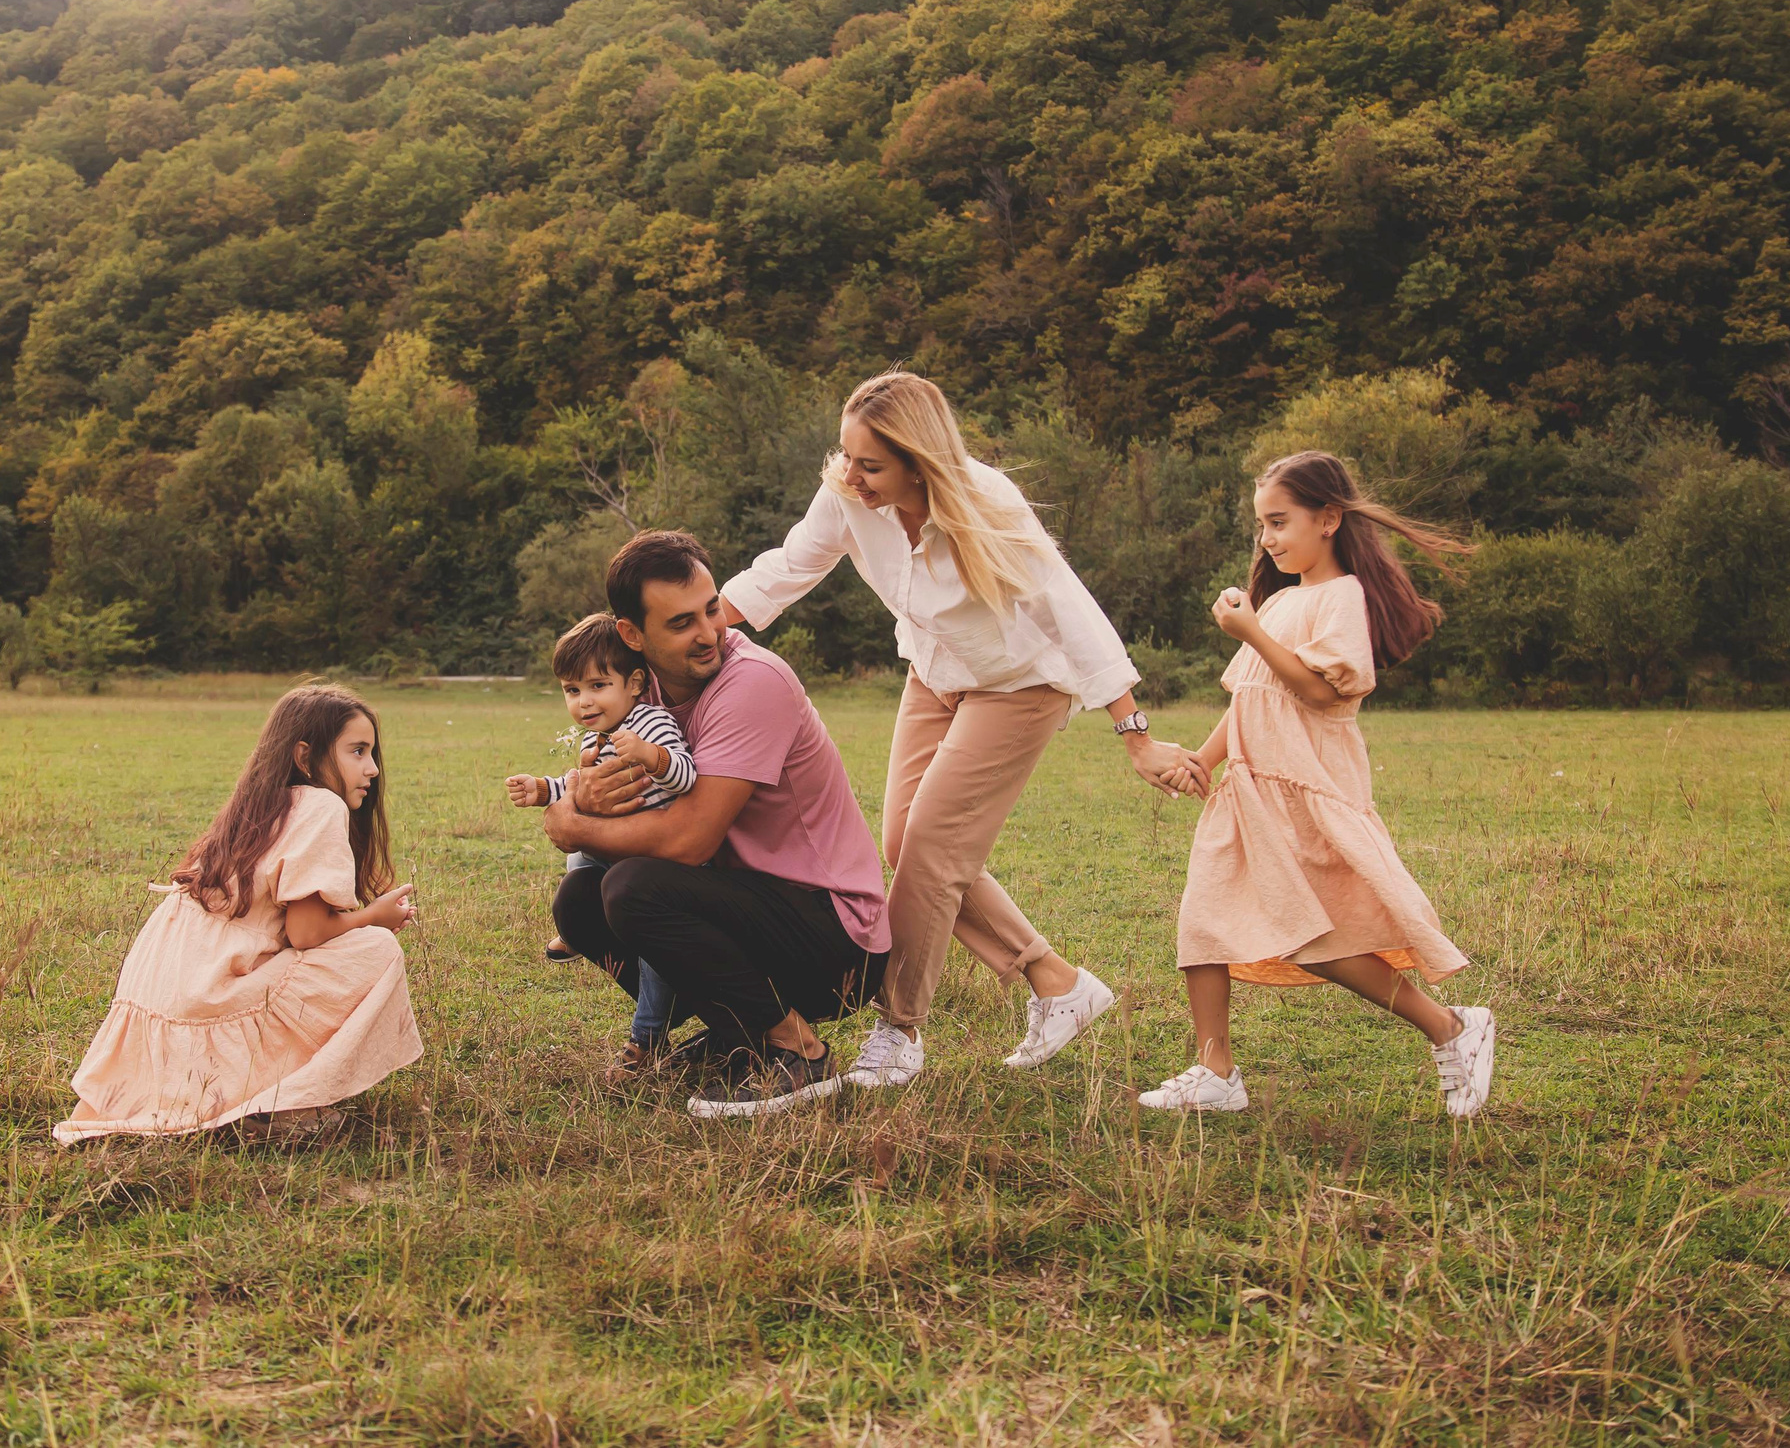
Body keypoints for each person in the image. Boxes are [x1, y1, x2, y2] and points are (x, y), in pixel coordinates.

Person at [718, 369, 1204, 1094]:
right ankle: (1056, 982)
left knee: (933, 849)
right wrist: (693, 626)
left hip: (1020, 686)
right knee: (901, 842)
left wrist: (1135, 733)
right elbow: (791, 565)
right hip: (933, 673)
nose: (851, 474)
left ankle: (899, 1029)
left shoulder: (985, 501)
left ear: (919, 459)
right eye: (845, 455)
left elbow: (1068, 608)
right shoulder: (847, 494)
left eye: (871, 463)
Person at [1137, 451, 1498, 1118]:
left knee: (1320, 943)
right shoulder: (1282, 602)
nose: (1268, 538)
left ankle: (1451, 1026)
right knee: (1203, 924)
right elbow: (1252, 695)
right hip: (1245, 789)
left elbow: (1316, 689)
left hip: (1303, 788)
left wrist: (1246, 627)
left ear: (1328, 518)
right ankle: (1215, 1070)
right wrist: (1205, 759)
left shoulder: (1342, 597)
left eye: (1279, 521)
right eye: (1261, 527)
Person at [544, 529, 891, 1117]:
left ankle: (798, 1050)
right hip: (741, 905)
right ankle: (739, 1035)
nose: (709, 634)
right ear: (632, 635)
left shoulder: (752, 682)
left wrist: (575, 828)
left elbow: (689, 839)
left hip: (834, 935)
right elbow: (601, 784)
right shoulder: (637, 690)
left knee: (633, 888)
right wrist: (582, 793)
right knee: (581, 900)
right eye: (681, 624)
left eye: (712, 610)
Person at [53, 684, 422, 1145]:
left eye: (372, 752)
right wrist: (374, 917)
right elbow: (306, 933)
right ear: (305, 757)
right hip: (209, 995)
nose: (372, 768)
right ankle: (277, 1106)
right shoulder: (321, 805)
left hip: (171, 995)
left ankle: (245, 1096)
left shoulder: (258, 804)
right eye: (357, 751)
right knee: (375, 950)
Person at [507, 612, 698, 1074]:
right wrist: (543, 790)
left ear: (634, 683)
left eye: (597, 686)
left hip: (657, 859)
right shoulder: (598, 736)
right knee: (580, 846)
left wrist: (652, 757)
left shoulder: (650, 724)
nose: (584, 702)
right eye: (573, 691)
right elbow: (580, 786)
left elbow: (687, 777)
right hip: (618, 850)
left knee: (654, 950)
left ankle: (646, 1037)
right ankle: (578, 930)